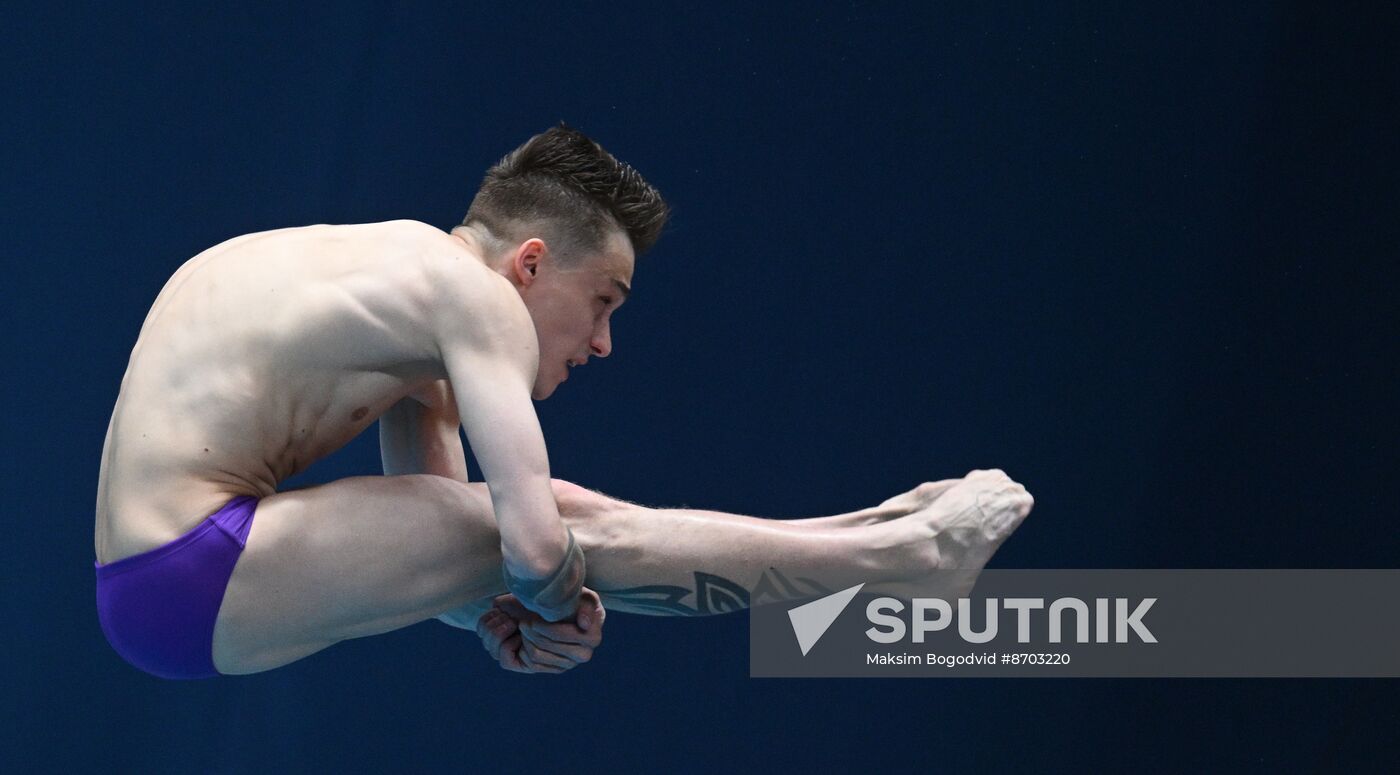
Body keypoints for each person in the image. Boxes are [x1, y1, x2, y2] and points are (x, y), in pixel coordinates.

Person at [94, 123, 1033, 679]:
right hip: (193, 570)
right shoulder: (470, 298)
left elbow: (449, 533)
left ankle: (868, 530)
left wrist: (506, 612)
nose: (601, 343)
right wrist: (552, 592)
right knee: (565, 516)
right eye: (602, 303)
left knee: (537, 522)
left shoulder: (385, 288)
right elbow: (535, 542)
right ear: (530, 262)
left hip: (163, 585)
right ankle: (903, 556)